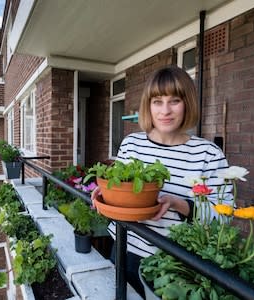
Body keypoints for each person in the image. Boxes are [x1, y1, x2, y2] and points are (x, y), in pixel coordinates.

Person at [91, 65, 233, 297]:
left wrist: (179, 204)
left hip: (176, 263)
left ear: (187, 103)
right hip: (125, 249)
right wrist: (104, 194)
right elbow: (120, 190)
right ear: (148, 105)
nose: (165, 110)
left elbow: (224, 215)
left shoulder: (208, 154)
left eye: (174, 100)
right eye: (157, 101)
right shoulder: (131, 144)